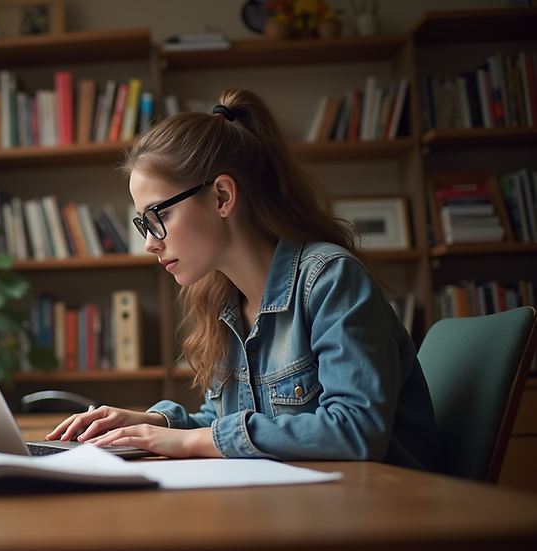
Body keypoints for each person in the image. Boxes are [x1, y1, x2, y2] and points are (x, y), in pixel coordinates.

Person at [45, 89, 441, 471]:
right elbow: (228, 420)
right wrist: (153, 424)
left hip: (386, 512)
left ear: (221, 196)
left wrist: (188, 442)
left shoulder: (329, 279)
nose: (149, 243)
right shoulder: (221, 299)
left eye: (158, 217)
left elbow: (357, 429)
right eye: (142, 224)